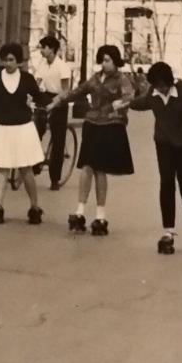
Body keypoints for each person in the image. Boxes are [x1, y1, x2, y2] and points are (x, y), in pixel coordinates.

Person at [51, 44, 135, 236]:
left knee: (100, 169)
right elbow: (78, 91)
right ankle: (80, 211)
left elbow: (129, 97)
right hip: (92, 124)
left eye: (108, 60)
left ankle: (100, 215)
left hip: (109, 126)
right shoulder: (95, 78)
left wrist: (116, 105)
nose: (104, 64)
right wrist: (59, 100)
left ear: (115, 61)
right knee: (87, 166)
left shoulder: (122, 79)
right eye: (102, 60)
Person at [129, 61, 182, 255]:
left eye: (163, 85)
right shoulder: (153, 93)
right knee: (167, 183)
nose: (160, 89)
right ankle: (168, 231)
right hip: (164, 144)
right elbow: (142, 103)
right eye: (156, 85)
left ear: (169, 81)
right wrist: (126, 103)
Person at [0, 43, 46, 225]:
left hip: (22, 128)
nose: (7, 63)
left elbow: (39, 97)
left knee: (26, 169)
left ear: (19, 62)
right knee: (1, 169)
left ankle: (34, 207)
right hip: (1, 128)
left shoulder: (27, 79)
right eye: (5, 60)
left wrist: (54, 101)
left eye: (11, 60)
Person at [30, 34, 71, 190]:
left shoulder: (62, 66)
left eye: (44, 47)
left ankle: (55, 179)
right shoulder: (42, 64)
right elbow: (37, 83)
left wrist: (54, 104)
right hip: (46, 96)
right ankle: (35, 163)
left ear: (52, 49)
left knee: (58, 139)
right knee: (35, 130)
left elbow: (66, 90)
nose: (41, 50)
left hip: (59, 98)